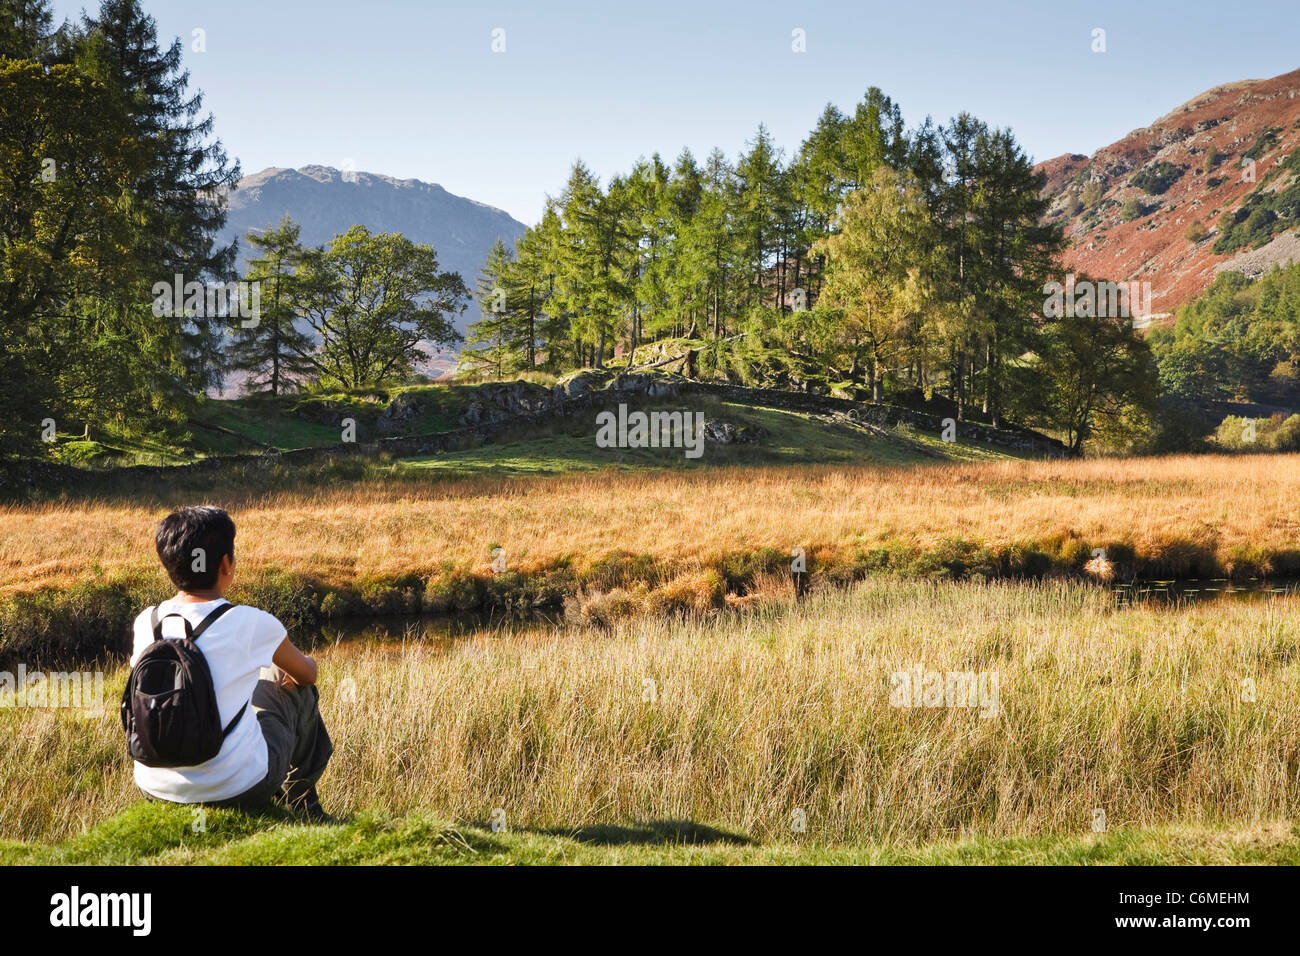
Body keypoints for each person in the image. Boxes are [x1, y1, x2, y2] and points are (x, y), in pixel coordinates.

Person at [129, 505, 333, 820]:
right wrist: (305, 664)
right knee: (295, 688)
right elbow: (307, 675)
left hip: (153, 785)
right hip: (238, 788)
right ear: (226, 563)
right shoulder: (251, 622)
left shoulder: (148, 621)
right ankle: (304, 804)